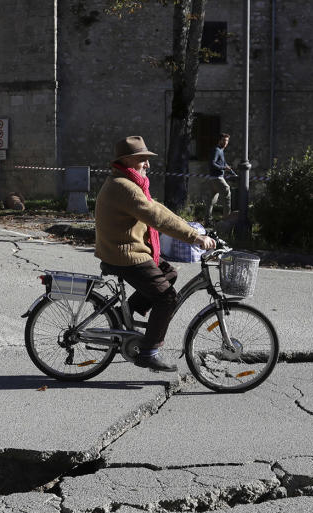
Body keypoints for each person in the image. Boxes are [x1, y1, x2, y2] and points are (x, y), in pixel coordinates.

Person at [95, 135, 216, 373]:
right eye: (143, 160)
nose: (148, 165)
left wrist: (193, 228)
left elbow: (157, 208)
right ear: (128, 160)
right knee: (167, 298)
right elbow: (155, 217)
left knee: (168, 273)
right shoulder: (124, 187)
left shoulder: (129, 183)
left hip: (126, 249)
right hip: (124, 254)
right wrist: (194, 237)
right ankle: (148, 352)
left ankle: (121, 317)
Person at [205, 133, 233, 225]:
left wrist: (228, 168)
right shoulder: (217, 150)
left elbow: (221, 163)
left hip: (213, 179)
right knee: (227, 194)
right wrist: (224, 168)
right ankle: (227, 221)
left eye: (227, 141)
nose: (226, 142)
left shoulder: (220, 150)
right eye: (224, 140)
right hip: (217, 178)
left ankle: (207, 221)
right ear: (219, 140)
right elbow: (212, 163)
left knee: (211, 201)